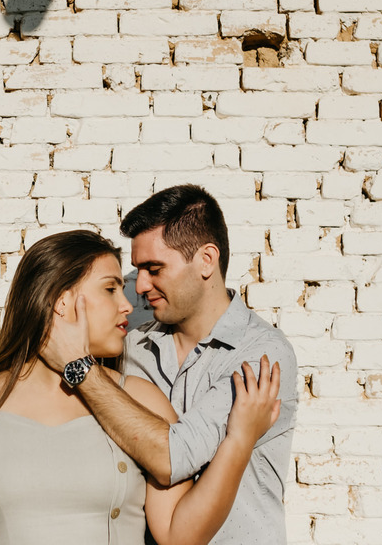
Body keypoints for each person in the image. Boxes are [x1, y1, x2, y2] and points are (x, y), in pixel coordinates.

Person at [0, 229, 282, 545]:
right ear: (61, 301)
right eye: (111, 289)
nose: (128, 305)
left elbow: (180, 535)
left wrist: (239, 440)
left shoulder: (140, 398)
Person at [41, 185, 298, 544]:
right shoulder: (130, 346)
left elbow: (174, 457)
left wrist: (80, 367)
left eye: (154, 268)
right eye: (138, 270)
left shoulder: (260, 355)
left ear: (207, 260)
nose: (141, 285)